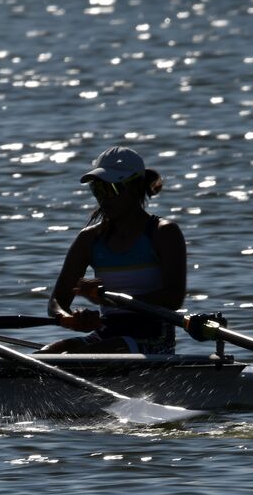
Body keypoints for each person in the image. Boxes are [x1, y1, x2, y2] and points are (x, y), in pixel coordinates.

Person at [40, 145, 186, 354]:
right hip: (108, 333)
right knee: (50, 352)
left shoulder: (163, 233)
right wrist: (69, 318)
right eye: (97, 189)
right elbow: (57, 301)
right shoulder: (88, 239)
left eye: (111, 188)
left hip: (154, 338)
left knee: (85, 354)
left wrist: (107, 299)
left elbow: (173, 298)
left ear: (135, 187)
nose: (103, 197)